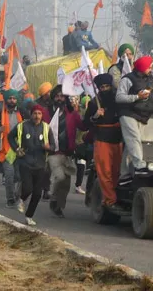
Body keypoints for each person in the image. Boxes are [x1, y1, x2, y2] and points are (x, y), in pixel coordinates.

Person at [115, 56, 153, 183]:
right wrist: (137, 97)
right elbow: (119, 97)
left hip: (142, 116)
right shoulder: (128, 79)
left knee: (131, 145)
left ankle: (124, 175)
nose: (151, 69)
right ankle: (140, 167)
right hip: (127, 114)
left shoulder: (150, 79)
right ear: (142, 67)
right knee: (134, 139)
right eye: (149, 66)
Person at [8, 104, 56, 226]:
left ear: (42, 115)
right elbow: (10, 137)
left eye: (39, 114)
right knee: (28, 188)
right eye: (35, 113)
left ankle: (29, 216)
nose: (37, 116)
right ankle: (21, 198)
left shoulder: (46, 128)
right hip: (25, 162)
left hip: (40, 165)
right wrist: (17, 149)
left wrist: (48, 147)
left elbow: (53, 146)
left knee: (37, 194)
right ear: (31, 114)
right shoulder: (23, 125)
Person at [84, 73, 123, 211]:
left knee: (117, 172)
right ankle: (109, 199)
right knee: (104, 172)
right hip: (102, 140)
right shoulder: (95, 102)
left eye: (107, 86)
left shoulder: (118, 100)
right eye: (102, 87)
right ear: (98, 88)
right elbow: (84, 124)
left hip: (118, 140)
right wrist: (95, 116)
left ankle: (116, 196)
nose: (105, 89)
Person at [46, 85, 84, 218]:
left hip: (68, 153)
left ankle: (58, 207)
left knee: (66, 184)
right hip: (53, 153)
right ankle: (53, 197)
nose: (59, 99)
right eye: (57, 96)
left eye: (62, 96)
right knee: (60, 177)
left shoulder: (72, 114)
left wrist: (94, 114)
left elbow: (83, 126)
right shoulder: (47, 112)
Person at [0, 89, 24, 208]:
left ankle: (18, 195)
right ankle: (10, 198)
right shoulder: (0, 114)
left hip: (20, 149)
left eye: (14, 98)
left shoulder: (22, 113)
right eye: (10, 98)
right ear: (6, 100)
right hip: (7, 150)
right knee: (9, 174)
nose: (12, 100)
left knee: (20, 176)